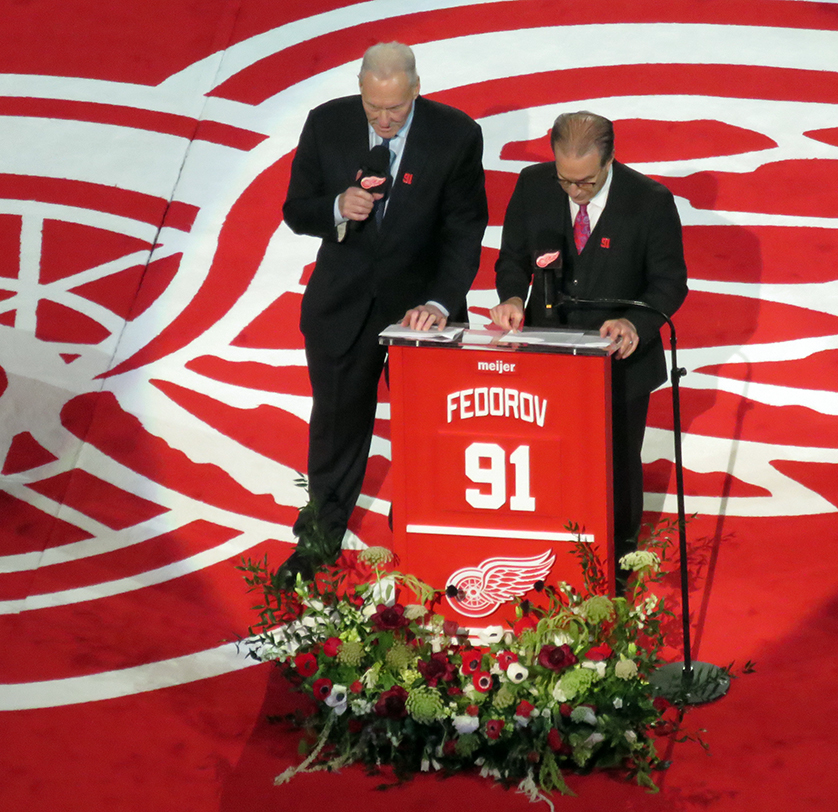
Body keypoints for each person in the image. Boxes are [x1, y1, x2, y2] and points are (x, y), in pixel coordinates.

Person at [280, 42, 488, 582]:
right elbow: (296, 208)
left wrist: (441, 302)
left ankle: (426, 542)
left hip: (423, 312)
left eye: (395, 109)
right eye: (374, 108)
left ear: (416, 88)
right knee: (335, 426)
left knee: (431, 434)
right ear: (361, 87)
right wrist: (334, 208)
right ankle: (318, 541)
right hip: (342, 306)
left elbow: (465, 229)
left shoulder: (455, 134)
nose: (384, 119)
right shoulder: (325, 124)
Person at [491, 111, 687, 589]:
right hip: (549, 352)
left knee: (617, 464)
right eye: (565, 180)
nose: (574, 192)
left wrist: (634, 322)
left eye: (586, 182)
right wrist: (513, 297)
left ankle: (619, 562)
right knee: (547, 458)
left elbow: (670, 284)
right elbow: (511, 259)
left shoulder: (650, 202)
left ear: (611, 159)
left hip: (620, 362)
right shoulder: (534, 185)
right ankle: (546, 554)